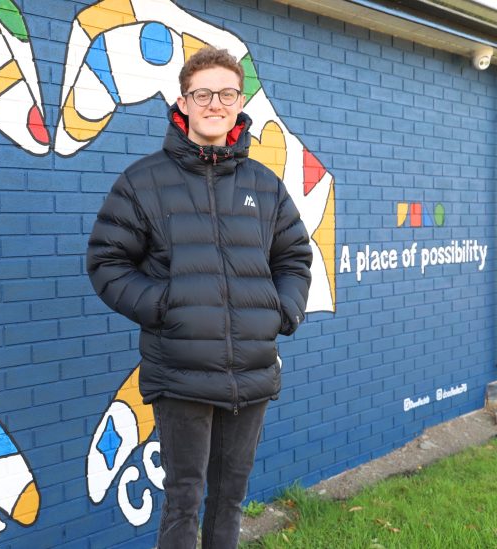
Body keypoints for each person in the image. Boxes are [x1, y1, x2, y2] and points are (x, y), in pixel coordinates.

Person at [86, 46, 312, 548]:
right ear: (184, 103)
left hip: (251, 371)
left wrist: (281, 311)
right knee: (183, 500)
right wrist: (165, 307)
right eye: (203, 93)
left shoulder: (264, 186)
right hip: (180, 372)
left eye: (226, 94)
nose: (215, 104)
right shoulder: (143, 182)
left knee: (230, 499)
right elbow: (107, 262)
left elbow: (294, 256)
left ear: (239, 103)